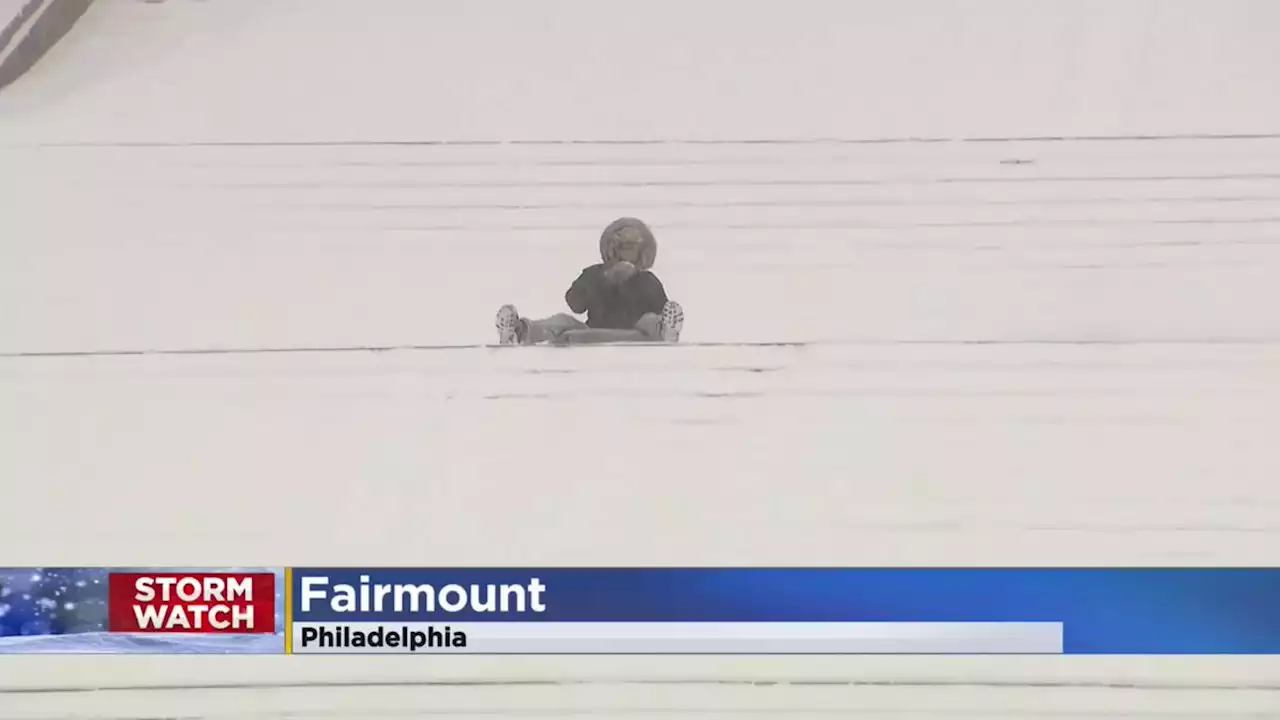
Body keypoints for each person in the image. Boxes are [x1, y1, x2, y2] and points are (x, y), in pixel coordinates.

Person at [495, 217, 684, 345]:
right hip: (593, 330)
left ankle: (665, 334)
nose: (626, 253)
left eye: (632, 248)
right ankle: (519, 333)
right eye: (622, 247)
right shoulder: (595, 274)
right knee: (561, 321)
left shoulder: (647, 279)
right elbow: (574, 303)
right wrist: (603, 280)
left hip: (635, 333)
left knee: (650, 320)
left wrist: (635, 281)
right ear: (611, 249)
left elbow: (662, 308)